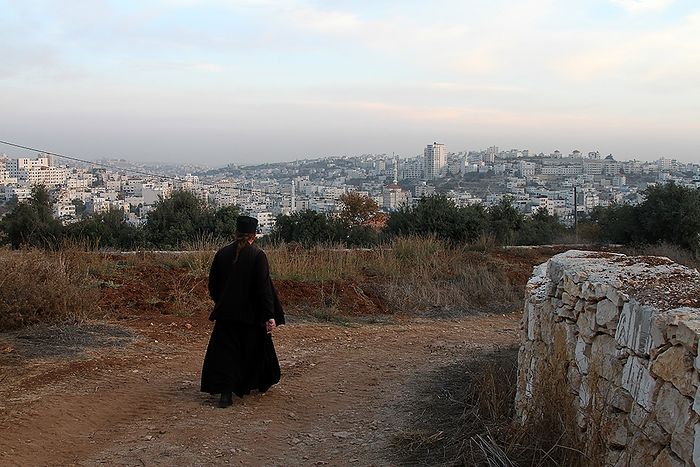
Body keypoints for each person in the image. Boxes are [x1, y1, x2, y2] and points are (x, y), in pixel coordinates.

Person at [200, 215, 285, 408]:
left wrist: (223, 302)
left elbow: (213, 286)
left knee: (226, 354)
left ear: (236, 233)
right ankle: (259, 383)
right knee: (255, 351)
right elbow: (264, 289)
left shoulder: (221, 254)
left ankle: (226, 395)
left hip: (226, 315)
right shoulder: (257, 256)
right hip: (251, 317)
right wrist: (269, 315)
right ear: (253, 235)